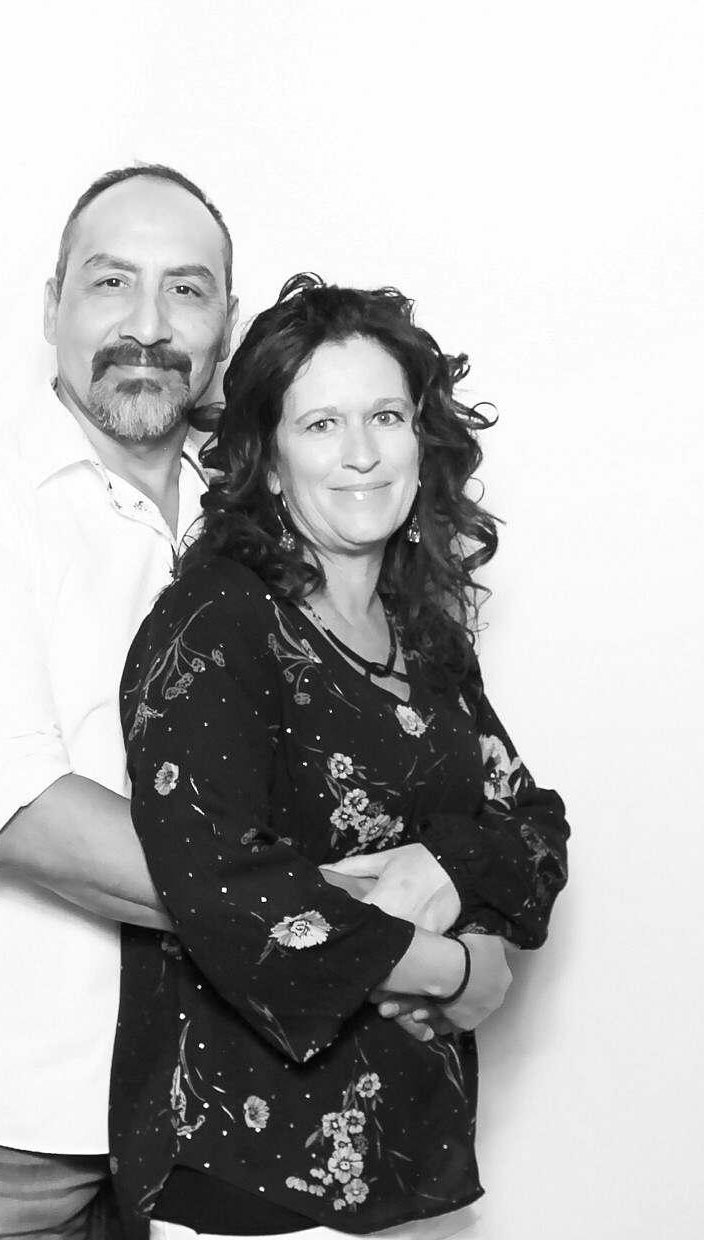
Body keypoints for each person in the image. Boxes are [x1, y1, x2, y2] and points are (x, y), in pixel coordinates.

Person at [112, 274, 571, 1238]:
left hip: (408, 1160)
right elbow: (220, 885)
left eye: (386, 417)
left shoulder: (421, 632)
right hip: (255, 1175)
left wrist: (444, 868)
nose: (361, 453)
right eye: (322, 424)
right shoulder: (218, 622)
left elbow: (533, 826)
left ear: (421, 441)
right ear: (270, 461)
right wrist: (456, 972)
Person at [0, 163, 238, 1238]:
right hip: (1, 1126)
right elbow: (25, 812)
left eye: (186, 290)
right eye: (111, 283)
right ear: (53, 303)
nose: (148, 325)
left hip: (225, 1110)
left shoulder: (263, 516)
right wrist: (338, 933)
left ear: (226, 323)